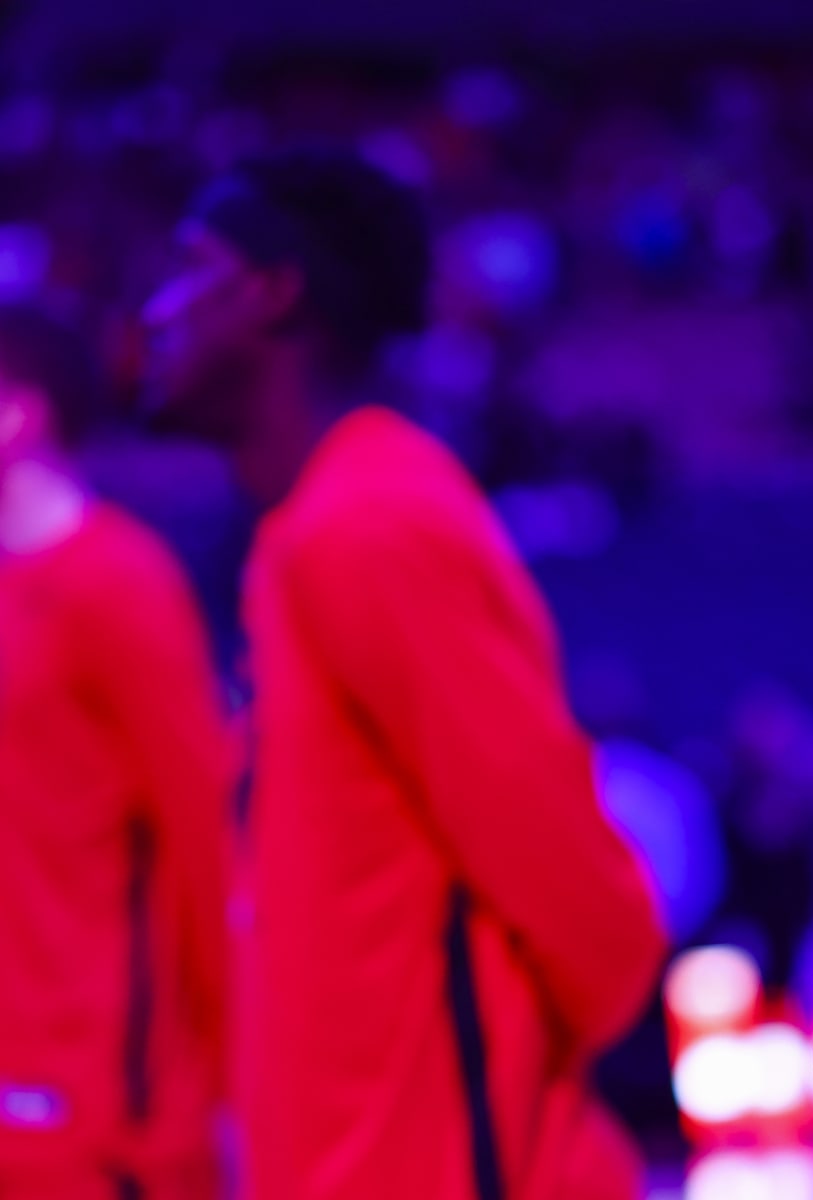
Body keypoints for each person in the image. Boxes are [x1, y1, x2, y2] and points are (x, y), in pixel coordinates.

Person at [140, 148, 666, 1200]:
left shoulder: (373, 521)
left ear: (273, 293)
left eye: (192, 272)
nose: (157, 311)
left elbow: (592, 911)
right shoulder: (315, 524)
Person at [0, 301, 232, 1200]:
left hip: (100, 1115)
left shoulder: (120, 586)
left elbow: (202, 842)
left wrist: (227, 1093)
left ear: (22, 413)